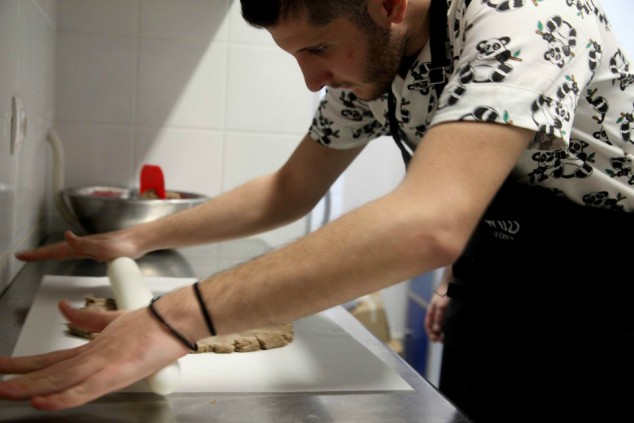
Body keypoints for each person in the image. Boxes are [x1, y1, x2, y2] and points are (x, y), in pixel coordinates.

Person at [1, 0, 633, 420]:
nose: (311, 79)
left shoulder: (525, 20)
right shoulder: (374, 65)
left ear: (388, 4)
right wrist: (137, 240)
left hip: (609, 290)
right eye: (297, 54)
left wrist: (174, 320)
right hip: (494, 278)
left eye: (319, 49)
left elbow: (431, 222)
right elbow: (289, 190)